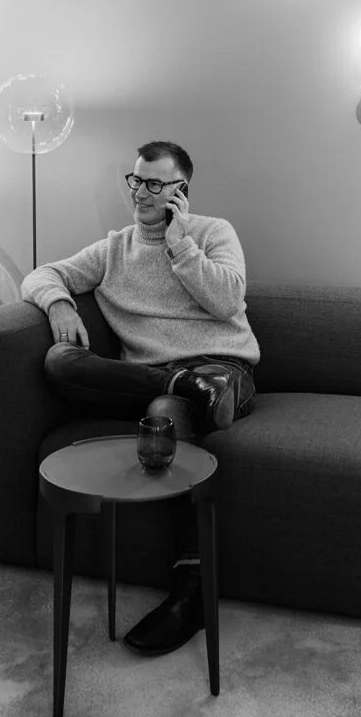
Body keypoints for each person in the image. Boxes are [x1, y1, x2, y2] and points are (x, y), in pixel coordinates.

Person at [21, 140, 259, 657]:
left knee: (163, 418)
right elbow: (42, 274)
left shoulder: (213, 233)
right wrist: (59, 304)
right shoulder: (114, 248)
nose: (140, 193)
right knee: (59, 360)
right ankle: (178, 385)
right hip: (155, 376)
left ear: (180, 191)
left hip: (222, 371)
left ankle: (190, 595)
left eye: (154, 184)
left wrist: (179, 244)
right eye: (136, 181)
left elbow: (227, 300)